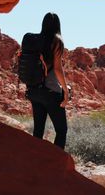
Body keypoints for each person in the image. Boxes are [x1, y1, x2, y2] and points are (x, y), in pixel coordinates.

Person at [26, 12, 69, 149]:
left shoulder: (34, 40)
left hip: (33, 91)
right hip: (51, 92)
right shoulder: (56, 40)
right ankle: (57, 165)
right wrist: (66, 90)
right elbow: (57, 69)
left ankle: (34, 162)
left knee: (38, 131)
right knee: (61, 130)